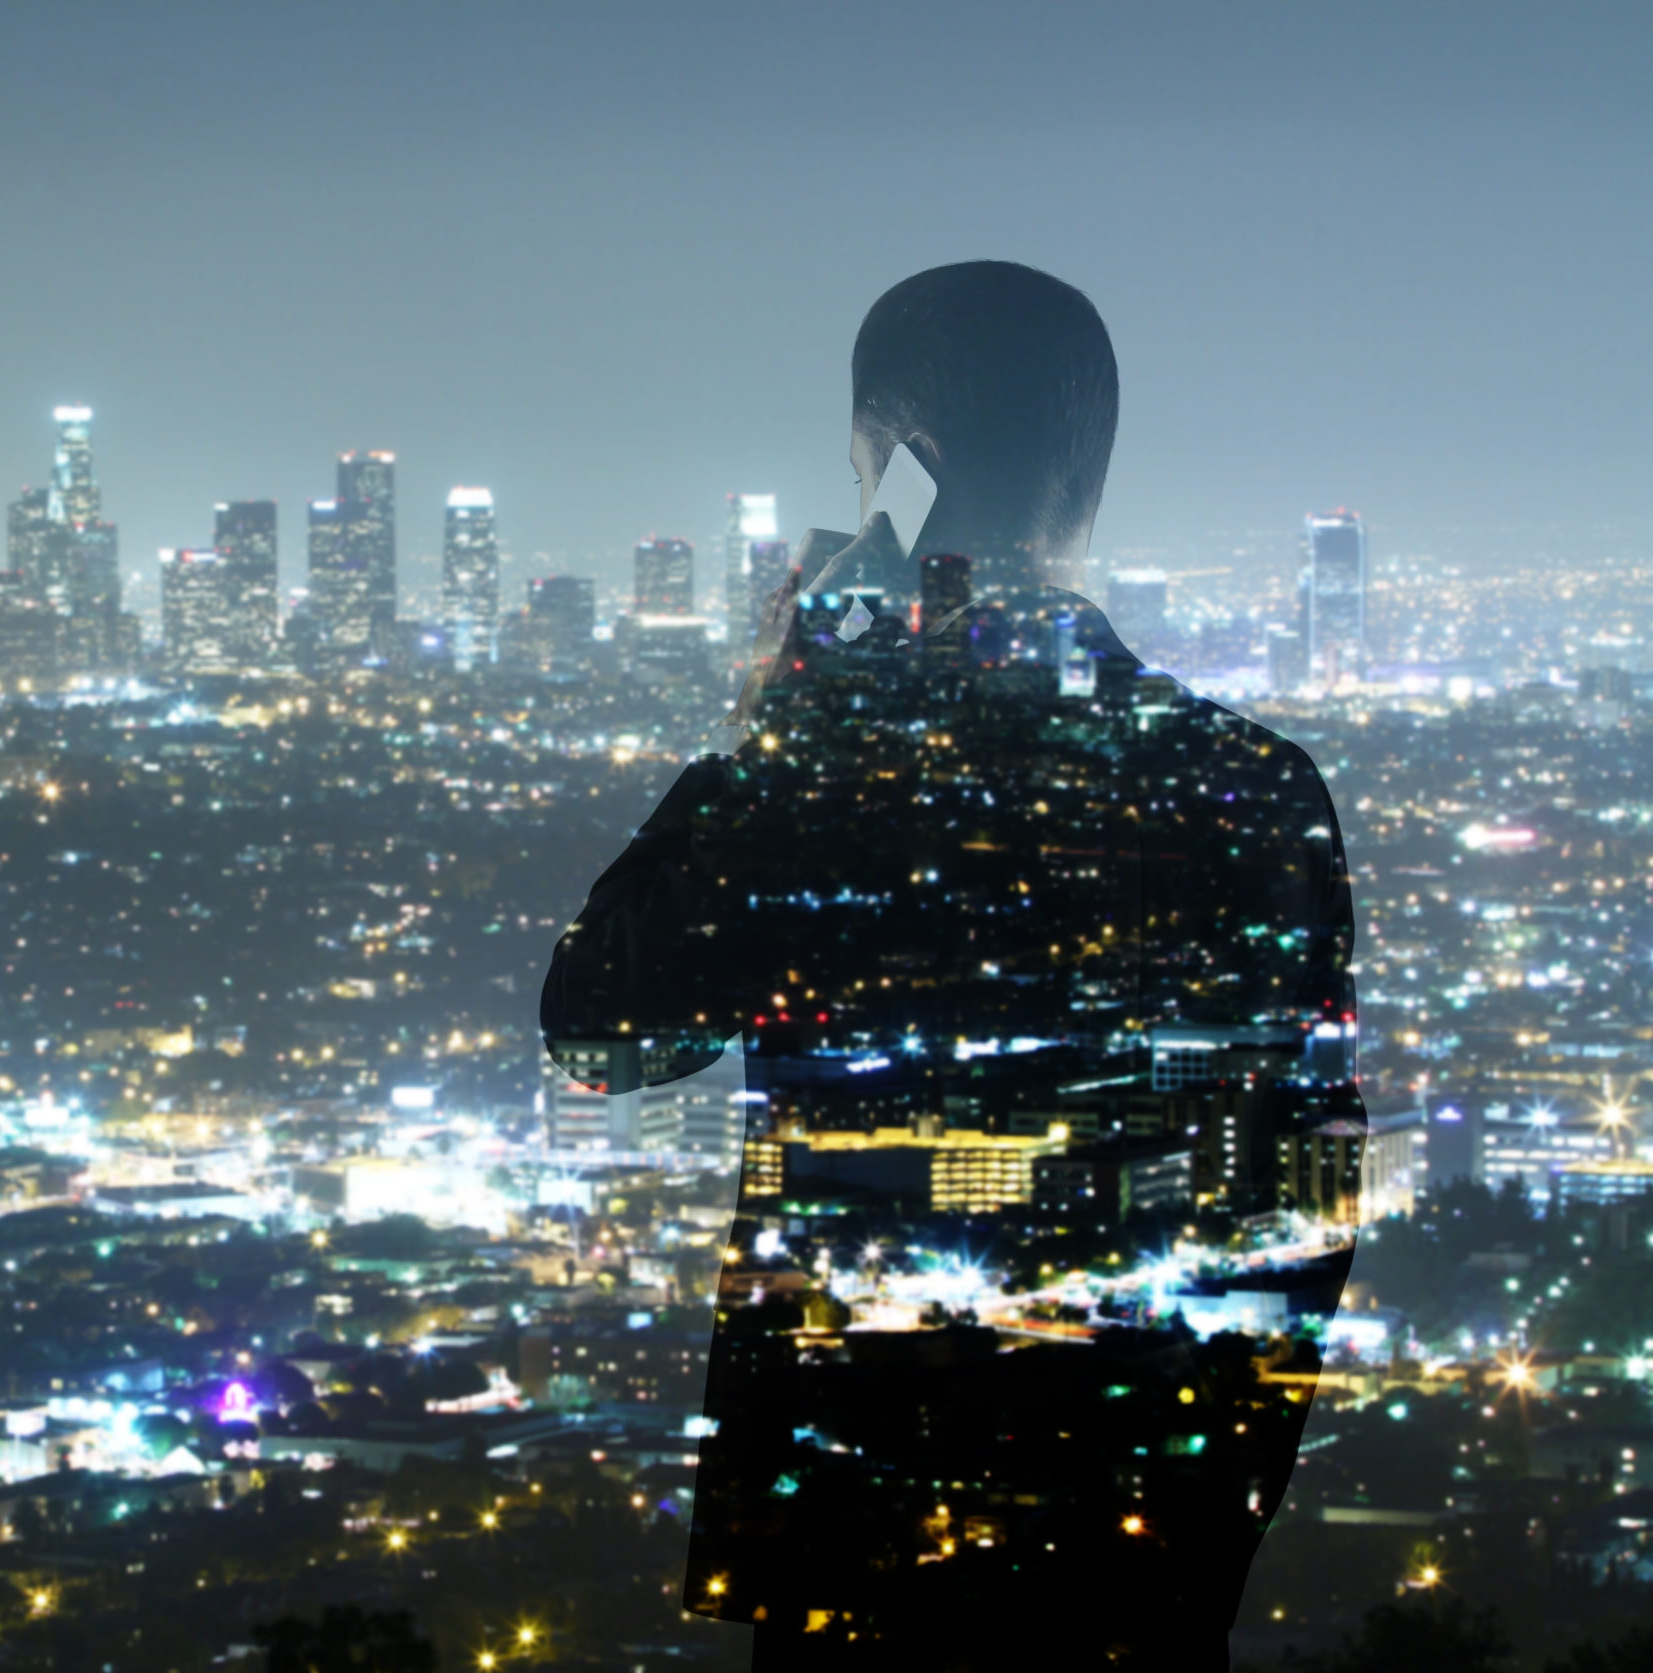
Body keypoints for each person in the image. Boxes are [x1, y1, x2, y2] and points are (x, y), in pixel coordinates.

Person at [541, 262, 1360, 1670]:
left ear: (896, 474)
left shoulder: (838, 783)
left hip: (853, 1539)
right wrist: (1199, 1533)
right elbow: (1306, 1216)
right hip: (1139, 1560)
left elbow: (605, 1028)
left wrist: (780, 728)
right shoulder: (1258, 793)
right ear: (1087, 480)